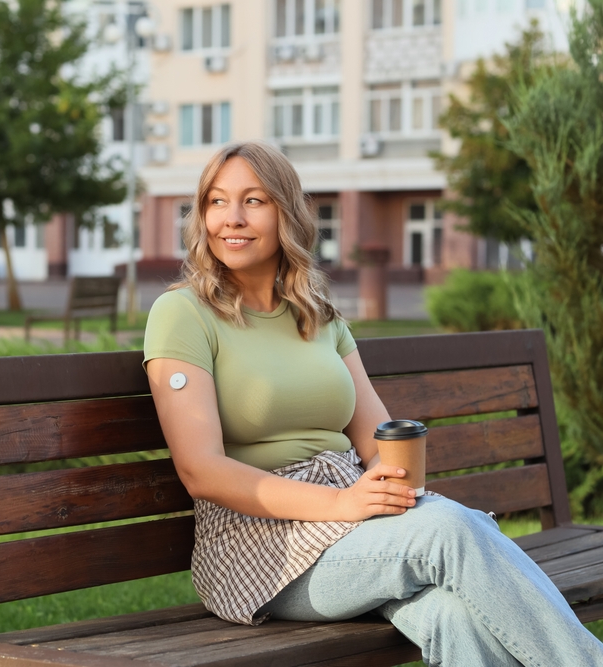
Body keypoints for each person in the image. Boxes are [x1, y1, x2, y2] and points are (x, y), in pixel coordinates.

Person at [142, 141, 603, 666]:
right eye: (217, 201)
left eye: (255, 200)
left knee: (450, 614)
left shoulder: (319, 316)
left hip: (354, 521)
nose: (233, 218)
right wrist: (346, 505)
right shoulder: (184, 313)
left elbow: (380, 439)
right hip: (260, 550)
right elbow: (200, 470)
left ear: (286, 213)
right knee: (451, 530)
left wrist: (390, 489)